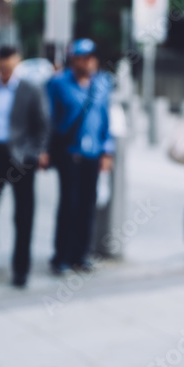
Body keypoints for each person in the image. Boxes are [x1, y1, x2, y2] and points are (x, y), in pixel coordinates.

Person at [0, 46, 50, 288]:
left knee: (23, 214)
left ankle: (21, 268)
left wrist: (34, 153)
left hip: (20, 158)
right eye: (1, 67)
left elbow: (43, 125)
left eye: (9, 67)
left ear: (17, 64)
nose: (5, 72)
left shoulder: (30, 89)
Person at [45, 39, 113, 274]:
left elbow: (106, 119)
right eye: (83, 58)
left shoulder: (103, 83)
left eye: (91, 57)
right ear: (74, 60)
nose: (88, 62)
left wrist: (107, 150)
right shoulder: (58, 84)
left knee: (87, 205)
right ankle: (60, 256)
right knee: (68, 205)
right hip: (69, 152)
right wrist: (45, 150)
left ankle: (81, 254)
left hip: (93, 152)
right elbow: (50, 119)